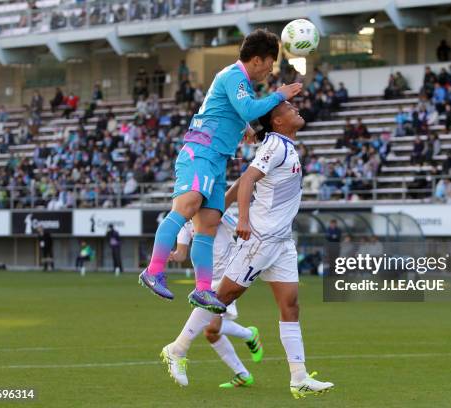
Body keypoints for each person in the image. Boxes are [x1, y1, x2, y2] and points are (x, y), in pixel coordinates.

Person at [161, 101, 334, 398]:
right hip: (261, 239)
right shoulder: (275, 146)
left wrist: (224, 205)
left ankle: (299, 377)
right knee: (221, 298)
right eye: (291, 110)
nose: (297, 112)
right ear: (278, 122)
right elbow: (248, 180)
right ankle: (176, 349)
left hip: (281, 242)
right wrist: (242, 219)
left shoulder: (283, 144)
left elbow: (245, 178)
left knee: (290, 306)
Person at [138, 29, 302, 313]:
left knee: (209, 224)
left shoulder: (242, 83)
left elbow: (234, 112)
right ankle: (153, 270)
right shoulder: (233, 75)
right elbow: (248, 109)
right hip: (201, 151)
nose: (270, 70)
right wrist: (279, 95)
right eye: (270, 63)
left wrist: (246, 129)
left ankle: (202, 290)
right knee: (187, 205)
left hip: (217, 158)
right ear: (257, 60)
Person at [164, 208, 263, 388]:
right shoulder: (185, 222)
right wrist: (172, 255)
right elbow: (181, 254)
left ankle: (178, 349)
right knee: (211, 332)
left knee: (212, 327)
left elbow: (241, 230)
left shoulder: (218, 212)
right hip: (206, 280)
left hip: (228, 275)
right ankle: (244, 368)